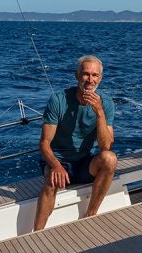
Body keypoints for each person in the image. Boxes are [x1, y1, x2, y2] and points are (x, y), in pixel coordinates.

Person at [32, 55, 117, 232]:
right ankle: (37, 233)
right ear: (76, 76)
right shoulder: (59, 100)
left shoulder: (106, 104)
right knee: (51, 181)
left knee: (110, 159)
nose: (90, 80)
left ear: (100, 79)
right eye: (85, 74)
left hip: (84, 162)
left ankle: (91, 214)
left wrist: (99, 112)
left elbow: (105, 146)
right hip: (59, 160)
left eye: (95, 75)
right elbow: (44, 143)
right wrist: (55, 166)